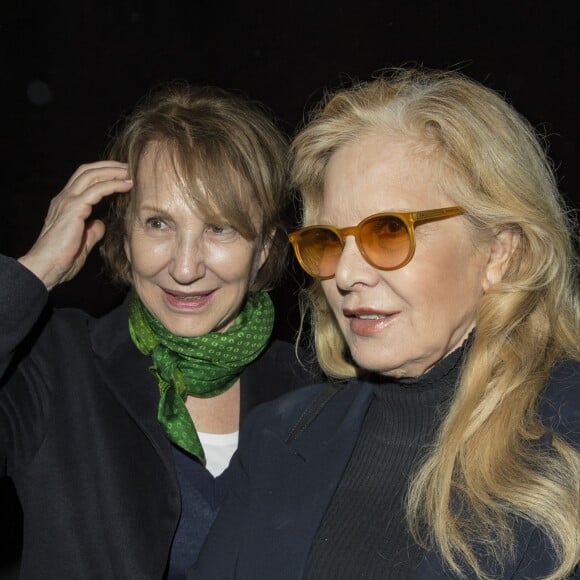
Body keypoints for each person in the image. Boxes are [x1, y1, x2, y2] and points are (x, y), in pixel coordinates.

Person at [192, 68, 580, 579]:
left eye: (389, 232)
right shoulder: (279, 436)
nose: (347, 274)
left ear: (499, 252)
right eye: (329, 240)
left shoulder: (566, 433)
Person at [0, 82, 318, 579]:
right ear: (124, 236)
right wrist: (33, 271)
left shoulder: (320, 392)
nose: (186, 267)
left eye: (220, 228)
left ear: (264, 249)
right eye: (158, 224)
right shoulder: (52, 364)